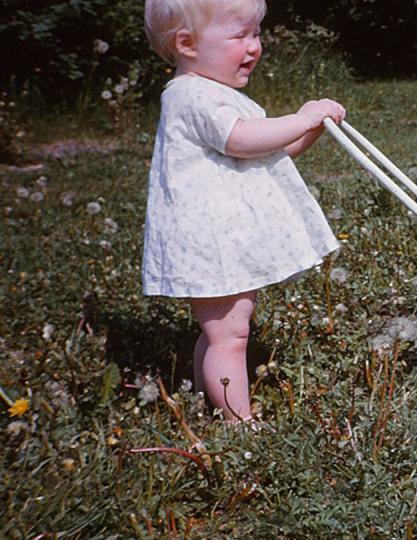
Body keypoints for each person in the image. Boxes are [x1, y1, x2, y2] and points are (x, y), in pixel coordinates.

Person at [142, 0, 345, 422]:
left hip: (224, 242)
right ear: (187, 43)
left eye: (256, 33)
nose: (254, 46)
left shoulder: (217, 93)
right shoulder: (192, 96)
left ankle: (207, 403)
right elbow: (241, 139)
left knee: (223, 331)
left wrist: (310, 130)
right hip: (209, 243)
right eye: (240, 35)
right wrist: (302, 115)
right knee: (229, 337)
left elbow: (272, 148)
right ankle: (239, 427)